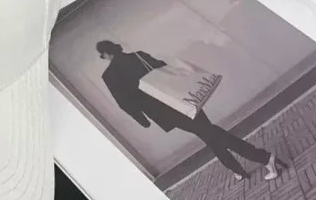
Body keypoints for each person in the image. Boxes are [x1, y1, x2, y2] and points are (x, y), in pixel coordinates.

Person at [95, 40, 286, 181]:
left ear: (105, 54)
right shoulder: (139, 56)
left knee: (210, 134)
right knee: (208, 133)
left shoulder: (110, 75)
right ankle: (238, 168)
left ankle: (263, 158)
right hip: (182, 100)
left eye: (102, 56)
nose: (103, 59)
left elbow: (124, 102)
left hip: (164, 112)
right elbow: (165, 71)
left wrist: (143, 121)